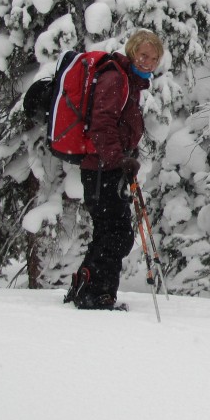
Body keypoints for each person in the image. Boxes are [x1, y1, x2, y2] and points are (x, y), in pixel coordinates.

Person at [64, 30, 164, 310]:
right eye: (143, 55)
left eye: (154, 58)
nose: (148, 62)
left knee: (111, 231)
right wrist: (118, 159)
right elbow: (102, 123)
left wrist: (124, 158)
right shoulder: (115, 78)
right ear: (132, 51)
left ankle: (88, 287)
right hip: (101, 169)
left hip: (108, 167)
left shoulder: (129, 82)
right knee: (115, 232)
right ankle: (95, 295)